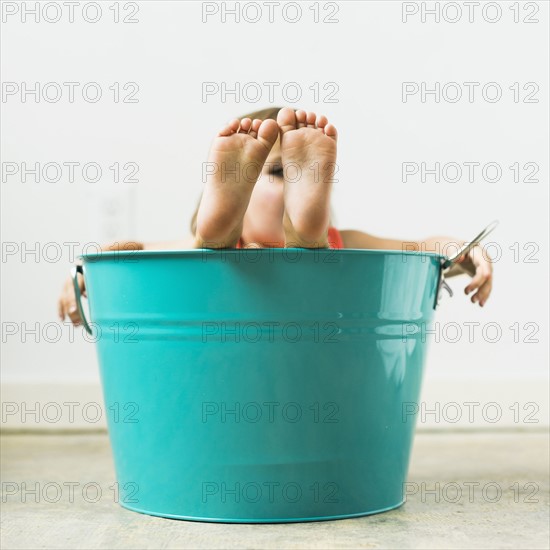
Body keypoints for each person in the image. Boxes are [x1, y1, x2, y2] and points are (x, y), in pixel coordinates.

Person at [58, 107, 493, 325]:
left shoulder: (348, 241)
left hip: (315, 375)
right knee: (209, 256)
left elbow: (423, 254)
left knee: (313, 253)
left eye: (294, 175)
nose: (286, 188)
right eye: (274, 173)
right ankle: (222, 237)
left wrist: (462, 252)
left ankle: (304, 241)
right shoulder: (192, 256)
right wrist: (84, 277)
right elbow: (129, 255)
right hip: (259, 375)